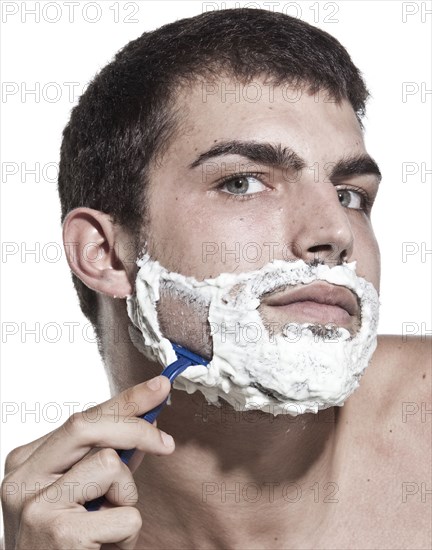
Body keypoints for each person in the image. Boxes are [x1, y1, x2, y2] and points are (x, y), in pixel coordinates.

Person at [1, 8, 430, 549]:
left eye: (350, 195)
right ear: (106, 255)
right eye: (242, 183)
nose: (334, 230)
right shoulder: (56, 535)